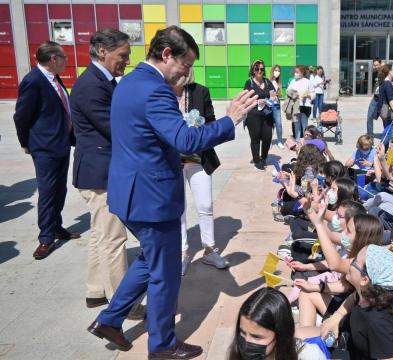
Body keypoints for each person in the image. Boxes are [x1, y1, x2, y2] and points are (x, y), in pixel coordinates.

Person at [86, 26, 257, 359]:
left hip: (130, 193)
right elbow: (187, 141)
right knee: (164, 275)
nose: (186, 72)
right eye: (185, 64)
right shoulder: (155, 91)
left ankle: (109, 319)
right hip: (152, 198)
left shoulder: (131, 82)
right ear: (167, 55)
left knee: (150, 259)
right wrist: (230, 119)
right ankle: (162, 345)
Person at [70, 29, 131, 308]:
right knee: (114, 239)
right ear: (103, 51)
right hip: (100, 174)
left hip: (98, 170)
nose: (126, 61)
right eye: (123, 55)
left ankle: (95, 290)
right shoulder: (92, 85)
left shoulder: (103, 81)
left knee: (100, 234)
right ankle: (121, 301)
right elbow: (114, 127)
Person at [13, 41, 80, 260]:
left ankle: (56, 226)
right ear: (53, 58)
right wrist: (25, 143)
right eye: (64, 58)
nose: (66, 61)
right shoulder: (33, 81)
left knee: (59, 190)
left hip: (60, 144)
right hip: (45, 147)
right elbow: (21, 116)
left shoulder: (52, 77)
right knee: (48, 191)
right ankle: (45, 238)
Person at [172, 67, 229, 276]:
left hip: (198, 158)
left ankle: (209, 250)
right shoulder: (163, 92)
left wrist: (200, 125)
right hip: (172, 161)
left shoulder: (200, 92)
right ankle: (182, 253)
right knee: (178, 208)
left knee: (205, 204)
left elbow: (212, 123)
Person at [228, 288, 325, 360]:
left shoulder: (310, 356)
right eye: (243, 333)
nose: (246, 342)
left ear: (280, 334)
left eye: (256, 337)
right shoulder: (237, 353)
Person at [244, 59, 276, 170]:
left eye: (261, 69)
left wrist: (270, 100)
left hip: (267, 115)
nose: (259, 71)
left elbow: (273, 95)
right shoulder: (249, 83)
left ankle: (264, 158)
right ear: (253, 70)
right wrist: (257, 102)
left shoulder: (267, 82)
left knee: (267, 138)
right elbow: (246, 99)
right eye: (257, 69)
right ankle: (257, 161)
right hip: (253, 116)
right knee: (255, 138)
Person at [288, 65, 316, 142]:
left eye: (297, 72)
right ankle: (297, 140)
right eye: (295, 72)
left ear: (302, 72)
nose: (295, 73)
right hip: (295, 105)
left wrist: (309, 96)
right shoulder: (293, 81)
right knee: (296, 124)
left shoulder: (308, 82)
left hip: (305, 106)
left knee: (304, 125)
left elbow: (313, 93)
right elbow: (288, 91)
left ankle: (305, 141)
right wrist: (294, 94)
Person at [376, 64, 393, 130]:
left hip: (384, 111)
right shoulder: (387, 83)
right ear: (389, 72)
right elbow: (391, 100)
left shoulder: (384, 82)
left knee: (387, 130)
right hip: (387, 112)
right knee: (388, 133)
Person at [366, 58, 384, 136]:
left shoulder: (385, 72)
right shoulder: (376, 73)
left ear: (380, 64)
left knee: (385, 118)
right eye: (374, 65)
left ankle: (389, 135)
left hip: (383, 99)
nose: (375, 67)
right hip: (375, 98)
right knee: (369, 117)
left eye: (377, 65)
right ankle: (370, 136)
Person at [269, 65, 284, 149]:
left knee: (278, 124)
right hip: (269, 105)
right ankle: (268, 141)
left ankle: (279, 141)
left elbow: (279, 93)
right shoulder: (268, 81)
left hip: (277, 105)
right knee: (269, 124)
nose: (277, 72)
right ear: (272, 71)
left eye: (278, 71)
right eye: (275, 70)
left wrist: (278, 94)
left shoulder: (279, 82)